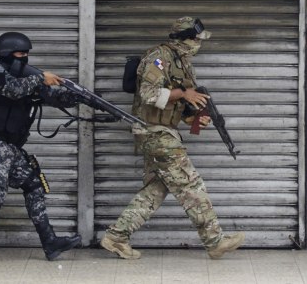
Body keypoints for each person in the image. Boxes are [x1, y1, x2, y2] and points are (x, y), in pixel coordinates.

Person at [100, 17, 244, 260]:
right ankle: (215, 240)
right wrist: (184, 93)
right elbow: (148, 94)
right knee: (190, 184)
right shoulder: (158, 57)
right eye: (196, 40)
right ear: (185, 38)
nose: (199, 45)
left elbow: (175, 105)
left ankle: (117, 236)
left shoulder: (183, 62)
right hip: (153, 132)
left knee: (155, 190)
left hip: (164, 131)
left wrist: (192, 119)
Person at [0, 32, 82, 263]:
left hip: (13, 148)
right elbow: (12, 90)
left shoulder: (27, 79)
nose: (25, 57)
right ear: (6, 54)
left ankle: (49, 242)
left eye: (27, 54)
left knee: (34, 185)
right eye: (21, 54)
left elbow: (52, 97)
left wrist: (80, 96)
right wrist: (41, 77)